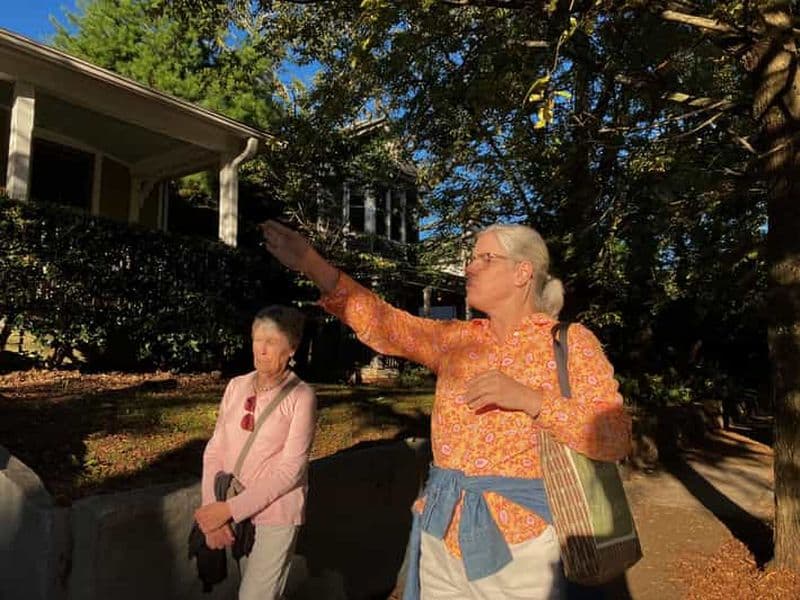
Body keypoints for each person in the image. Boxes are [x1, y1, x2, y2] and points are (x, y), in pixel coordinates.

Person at [260, 220, 631, 600]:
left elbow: (615, 436)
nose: (470, 267)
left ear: (523, 272)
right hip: (442, 533)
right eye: (472, 258)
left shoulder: (570, 343)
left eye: (485, 258)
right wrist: (311, 263)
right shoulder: (457, 339)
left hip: (522, 546)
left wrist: (532, 401)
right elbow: (385, 324)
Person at [194, 305, 316, 600]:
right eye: (256, 339)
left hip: (276, 514)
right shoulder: (236, 386)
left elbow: (291, 471)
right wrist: (214, 510)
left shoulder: (302, 396)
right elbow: (215, 450)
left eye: (271, 342)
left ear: (292, 348)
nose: (261, 349)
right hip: (233, 507)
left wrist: (228, 510)